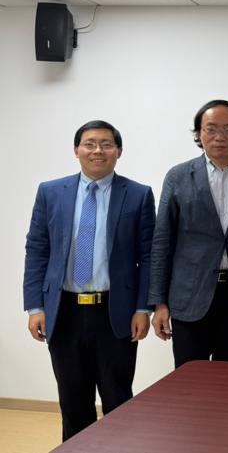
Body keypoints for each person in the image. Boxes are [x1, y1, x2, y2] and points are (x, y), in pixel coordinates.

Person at [23, 121, 156, 441]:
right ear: (76, 150)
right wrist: (35, 307)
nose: (98, 150)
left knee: (118, 401)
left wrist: (143, 309)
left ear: (119, 151)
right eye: (90, 143)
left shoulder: (138, 194)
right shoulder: (50, 192)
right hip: (63, 311)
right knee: (73, 402)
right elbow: (37, 249)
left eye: (107, 144)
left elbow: (149, 256)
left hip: (115, 312)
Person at [149, 100, 228, 368]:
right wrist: (159, 303)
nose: (219, 136)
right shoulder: (178, 176)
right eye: (211, 128)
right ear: (199, 133)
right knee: (189, 380)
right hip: (189, 297)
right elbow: (162, 242)